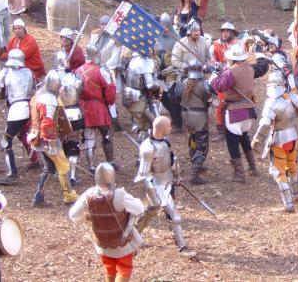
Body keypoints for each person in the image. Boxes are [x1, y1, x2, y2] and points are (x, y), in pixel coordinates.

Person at [69, 163, 144, 282]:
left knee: (109, 268)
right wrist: (135, 201)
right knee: (124, 268)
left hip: (102, 243)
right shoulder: (119, 195)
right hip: (121, 243)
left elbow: (74, 215)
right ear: (112, 176)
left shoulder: (89, 194)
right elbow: (139, 209)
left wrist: (87, 217)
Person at [135, 116, 197, 257]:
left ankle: (133, 235)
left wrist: (176, 175)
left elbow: (172, 159)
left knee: (153, 211)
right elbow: (143, 175)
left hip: (167, 180)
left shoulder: (165, 141)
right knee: (173, 216)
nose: (170, 128)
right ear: (163, 128)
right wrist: (153, 195)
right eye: (169, 126)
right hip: (155, 183)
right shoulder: (148, 148)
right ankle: (182, 247)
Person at [210, 44, 269, 182]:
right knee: (244, 138)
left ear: (232, 59)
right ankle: (252, 168)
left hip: (234, 111)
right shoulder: (250, 69)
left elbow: (220, 86)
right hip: (248, 110)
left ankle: (240, 174)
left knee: (232, 142)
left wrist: (214, 76)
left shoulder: (231, 71)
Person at [252, 71, 298, 212]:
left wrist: (256, 139)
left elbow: (265, 124)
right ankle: (296, 195)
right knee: (292, 166)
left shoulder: (271, 102)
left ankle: (289, 205)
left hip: (279, 141)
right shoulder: (293, 97)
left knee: (279, 172)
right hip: (293, 137)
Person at [28, 69, 79, 206]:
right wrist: (51, 143)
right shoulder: (49, 99)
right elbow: (47, 122)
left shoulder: (38, 95)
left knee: (50, 167)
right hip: (47, 139)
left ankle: (38, 198)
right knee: (64, 166)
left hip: (37, 137)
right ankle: (69, 196)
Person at [0, 49, 34, 185]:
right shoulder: (29, 72)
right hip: (30, 107)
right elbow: (34, 90)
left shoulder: (6, 72)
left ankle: (12, 173)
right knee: (25, 135)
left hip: (17, 109)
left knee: (6, 141)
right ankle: (38, 161)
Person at [77, 44, 117, 172]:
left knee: (89, 136)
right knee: (107, 133)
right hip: (98, 107)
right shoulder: (101, 70)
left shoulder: (78, 70)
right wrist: (109, 102)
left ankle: (91, 165)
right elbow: (110, 91)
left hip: (84, 107)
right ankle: (110, 161)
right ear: (97, 54)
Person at [176, 59, 217, 184]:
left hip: (185, 115)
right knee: (202, 146)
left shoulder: (182, 82)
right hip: (199, 117)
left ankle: (196, 163)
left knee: (193, 139)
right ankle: (194, 175)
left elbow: (176, 97)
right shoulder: (204, 85)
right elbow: (213, 100)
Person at [54, 50, 85, 186]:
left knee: (59, 143)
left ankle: (62, 173)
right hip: (74, 113)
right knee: (73, 144)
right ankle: (72, 175)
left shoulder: (52, 77)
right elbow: (81, 91)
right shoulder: (76, 77)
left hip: (59, 114)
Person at [90, 15, 123, 132]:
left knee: (109, 95)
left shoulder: (116, 39)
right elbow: (90, 52)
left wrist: (102, 68)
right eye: (102, 24)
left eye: (106, 24)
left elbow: (114, 59)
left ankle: (114, 119)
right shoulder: (95, 35)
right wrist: (93, 65)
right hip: (94, 68)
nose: (104, 26)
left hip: (109, 70)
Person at [209, 22, 240, 142]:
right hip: (222, 77)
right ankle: (221, 130)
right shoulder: (215, 45)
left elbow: (241, 60)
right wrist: (217, 67)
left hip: (235, 76)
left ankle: (239, 129)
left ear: (232, 33)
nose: (225, 33)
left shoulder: (238, 44)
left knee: (238, 102)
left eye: (228, 31)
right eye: (223, 31)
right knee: (220, 103)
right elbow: (212, 63)